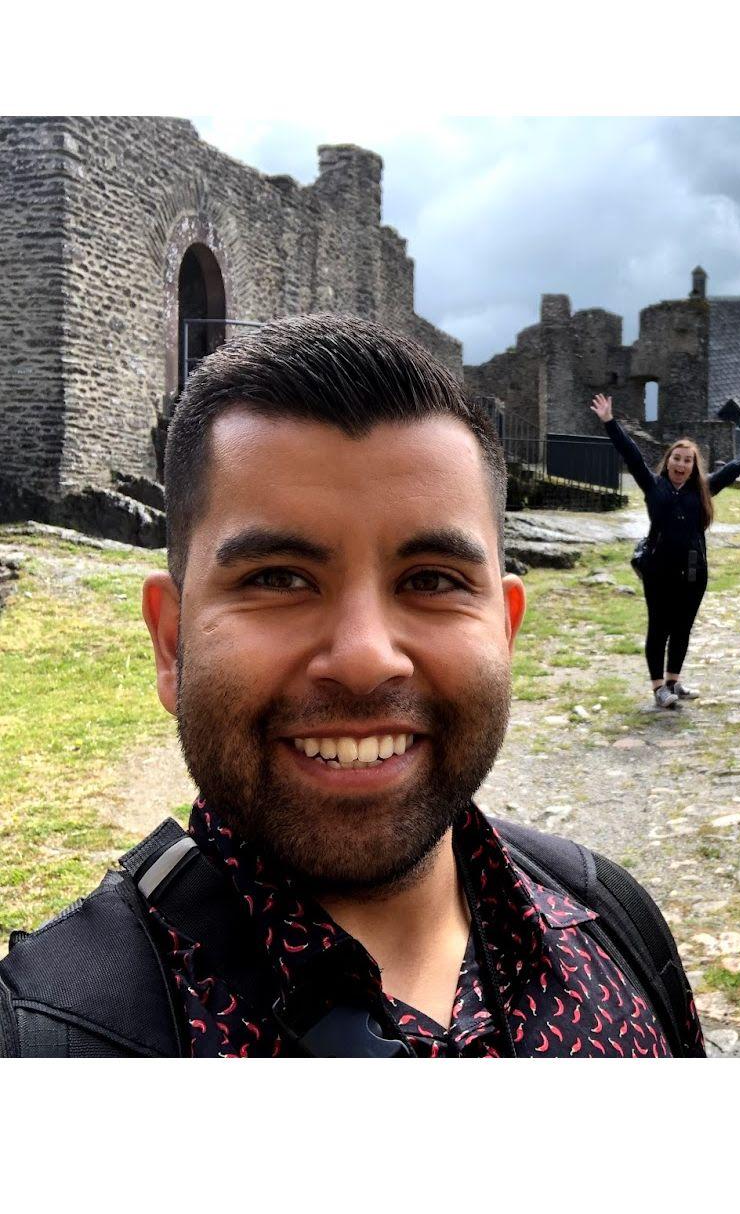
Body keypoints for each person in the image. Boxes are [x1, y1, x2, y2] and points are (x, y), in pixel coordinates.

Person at [0, 315, 704, 1058]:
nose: (366, 658)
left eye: (431, 580)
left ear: (504, 629)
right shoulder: (46, 1040)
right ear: (172, 642)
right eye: (278, 579)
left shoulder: (616, 925)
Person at [591, 394, 740, 708]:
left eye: (687, 461)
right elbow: (631, 453)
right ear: (669, 462)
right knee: (659, 628)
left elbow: (734, 469)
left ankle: (674, 682)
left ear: (693, 467)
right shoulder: (654, 486)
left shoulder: (703, 489)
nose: (681, 464)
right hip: (658, 569)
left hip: (693, 571)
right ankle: (658, 688)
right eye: (676, 458)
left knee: (682, 627)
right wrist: (609, 421)